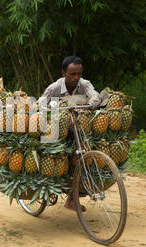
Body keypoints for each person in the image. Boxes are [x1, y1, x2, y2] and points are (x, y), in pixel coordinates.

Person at [39, 56, 102, 212]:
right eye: (72, 74)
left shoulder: (84, 84)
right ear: (63, 73)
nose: (76, 78)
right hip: (58, 132)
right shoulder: (54, 88)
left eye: (79, 74)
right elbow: (40, 104)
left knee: (83, 160)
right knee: (58, 159)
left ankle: (72, 199)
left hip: (78, 129)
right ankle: (49, 187)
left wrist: (89, 104)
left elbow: (95, 95)